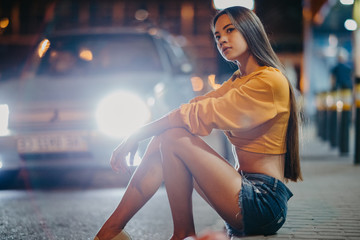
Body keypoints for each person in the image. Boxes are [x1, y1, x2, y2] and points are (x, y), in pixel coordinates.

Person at [94, 6, 302, 240]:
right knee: (166, 136)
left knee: (173, 136)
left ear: (250, 31)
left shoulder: (268, 81)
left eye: (229, 30)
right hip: (245, 193)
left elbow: (196, 114)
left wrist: (134, 135)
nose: (222, 39)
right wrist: (144, 133)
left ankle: (181, 235)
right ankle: (112, 231)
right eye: (217, 35)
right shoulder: (239, 81)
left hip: (263, 202)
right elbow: (193, 106)